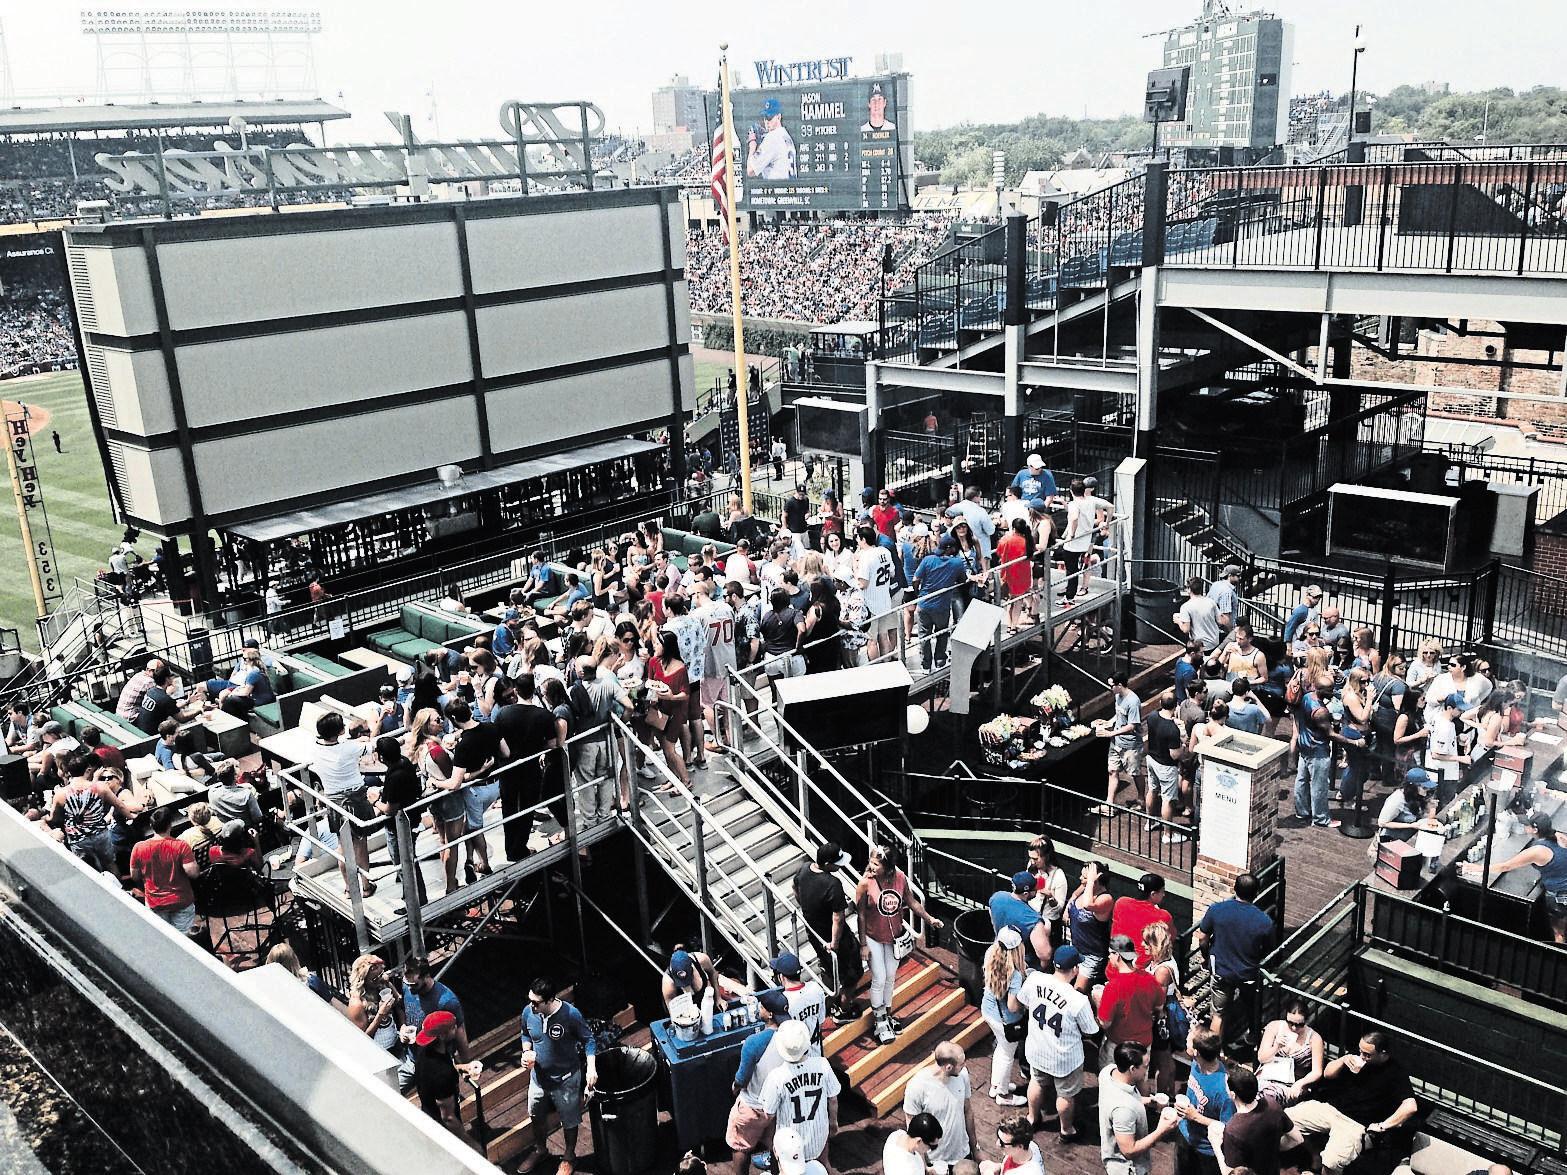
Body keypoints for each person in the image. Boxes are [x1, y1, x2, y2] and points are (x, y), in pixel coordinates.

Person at [1287, 1032, 1419, 1175]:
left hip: (1355, 1123)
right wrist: (1343, 1060)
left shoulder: (1396, 1073)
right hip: (1330, 1108)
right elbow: (1327, 1074)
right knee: (1285, 1120)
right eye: (1360, 1051)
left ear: (1383, 1054)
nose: (1362, 1056)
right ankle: (1314, 1157)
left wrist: (1383, 1126)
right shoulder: (1357, 1056)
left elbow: (1410, 1106)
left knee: (1332, 1162)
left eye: (1368, 1055)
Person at [1011, 943, 1099, 1143]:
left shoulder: (1034, 979)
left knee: (1036, 1082)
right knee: (1066, 1095)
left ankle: (1032, 1118)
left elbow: (1023, 1001)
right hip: (1064, 1058)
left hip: (1038, 1048)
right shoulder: (1078, 1000)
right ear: (1075, 969)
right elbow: (1091, 1030)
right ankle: (1066, 1130)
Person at [856, 844, 942, 1043]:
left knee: (890, 977)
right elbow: (860, 915)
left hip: (894, 937)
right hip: (873, 937)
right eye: (871, 862)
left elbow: (911, 902)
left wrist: (929, 919)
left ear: (887, 867)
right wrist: (863, 944)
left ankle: (886, 1013)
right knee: (879, 977)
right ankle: (879, 1020)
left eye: (876, 864)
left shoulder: (900, 878)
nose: (871, 866)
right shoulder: (865, 883)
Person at [519, 973, 598, 1175]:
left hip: (566, 1080)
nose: (532, 1006)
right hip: (538, 1079)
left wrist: (591, 1068)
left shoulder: (571, 1014)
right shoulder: (528, 1012)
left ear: (550, 1000)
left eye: (536, 1003)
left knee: (570, 1120)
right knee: (536, 1115)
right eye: (530, 1001)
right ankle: (540, 1149)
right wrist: (526, 1051)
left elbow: (589, 1040)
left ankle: (570, 1156)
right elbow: (525, 1034)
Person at [1462, 811, 1567, 943]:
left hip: (1559, 896)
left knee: (1557, 931)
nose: (1525, 827)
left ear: (1535, 829)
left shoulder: (1538, 851)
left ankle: (1556, 956)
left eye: (1527, 826)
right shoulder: (1559, 836)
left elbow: (1505, 866)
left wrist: (1478, 868)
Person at [1195, 873, 1275, 1047]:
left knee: (1218, 1014)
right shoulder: (1264, 921)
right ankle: (1254, 1036)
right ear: (1256, 893)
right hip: (1248, 973)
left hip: (1221, 971)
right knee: (1252, 1006)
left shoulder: (1217, 910)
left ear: (1234, 889)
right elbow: (1268, 948)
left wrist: (1206, 957)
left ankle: (1215, 1052)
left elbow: (1203, 937)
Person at [725, 989, 792, 1175]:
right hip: (779, 1105)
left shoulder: (754, 1042)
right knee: (777, 1148)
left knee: (740, 1146)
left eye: (761, 1007)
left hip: (753, 1105)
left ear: (769, 1014)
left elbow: (741, 1078)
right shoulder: (793, 1036)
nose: (759, 1010)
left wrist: (734, 1088)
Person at [794, 841, 861, 1019]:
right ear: (826, 864)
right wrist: (835, 943)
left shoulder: (804, 869)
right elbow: (838, 918)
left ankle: (830, 1000)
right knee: (853, 972)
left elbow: (795, 889)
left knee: (829, 966)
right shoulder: (833, 884)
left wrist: (805, 908)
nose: (839, 867)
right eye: (836, 864)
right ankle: (844, 1009)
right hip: (833, 938)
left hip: (814, 934)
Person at [760, 1020, 840, 1166]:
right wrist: (833, 1123)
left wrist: (769, 1140)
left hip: (790, 1144)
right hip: (818, 1135)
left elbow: (768, 1115)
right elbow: (833, 1099)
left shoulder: (776, 1077)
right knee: (823, 1164)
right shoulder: (822, 1064)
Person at [1100, 1042, 1182, 1174]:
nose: (1147, 1070)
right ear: (1132, 1069)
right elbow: (1129, 1151)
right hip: (1127, 1168)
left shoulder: (1108, 1072)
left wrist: (1148, 1100)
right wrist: (1161, 1130)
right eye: (1145, 1066)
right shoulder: (1124, 1110)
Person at [397, 954, 471, 1093]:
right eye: (407, 984)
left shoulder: (446, 1001)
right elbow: (401, 1007)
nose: (410, 988)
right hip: (412, 1059)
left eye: (414, 985)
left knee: (443, 1103)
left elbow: (460, 1031)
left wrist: (466, 1064)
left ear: (426, 976)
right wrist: (403, 1027)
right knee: (390, 1092)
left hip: (437, 1063)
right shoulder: (407, 986)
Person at [1214, 1069, 1304, 1175]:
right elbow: (1298, 1139)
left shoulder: (1233, 1130)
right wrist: (1271, 1150)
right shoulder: (1272, 1105)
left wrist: (1215, 1144)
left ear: (1233, 1095)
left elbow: (1230, 1172)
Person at [128, 806, 201, 934]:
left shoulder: (138, 848)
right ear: (169, 825)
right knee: (184, 939)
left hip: (155, 903)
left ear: (151, 825)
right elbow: (193, 873)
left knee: (162, 937)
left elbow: (135, 876)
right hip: (181, 901)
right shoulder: (181, 846)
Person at [902, 1044, 974, 1172]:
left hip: (962, 1155)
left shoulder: (963, 1075)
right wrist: (925, 1167)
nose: (964, 1066)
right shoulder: (917, 1086)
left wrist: (976, 1148)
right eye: (961, 1063)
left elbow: (967, 1111)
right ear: (948, 1067)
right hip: (935, 1162)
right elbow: (912, 1131)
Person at [1098, 935, 1166, 1068]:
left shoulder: (1113, 986)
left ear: (1117, 955)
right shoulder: (1149, 979)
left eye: (1109, 954)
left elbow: (1105, 1023)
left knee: (1110, 1082)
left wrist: (1098, 1002)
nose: (1108, 957)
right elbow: (1159, 1007)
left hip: (1119, 1045)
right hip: (1144, 1043)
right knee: (1140, 1082)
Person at [1174, 1028, 1235, 1175]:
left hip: (1206, 1150)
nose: (1186, 1040)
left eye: (1189, 1040)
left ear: (1196, 1052)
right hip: (1185, 1134)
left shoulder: (1224, 1091)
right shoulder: (1196, 1064)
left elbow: (1227, 1127)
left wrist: (1195, 1117)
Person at [980, 927, 1028, 1107]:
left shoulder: (990, 953)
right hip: (1006, 1020)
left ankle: (996, 1085)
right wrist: (1025, 1002)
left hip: (988, 1010)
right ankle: (1002, 1094)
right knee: (1007, 1054)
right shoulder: (1014, 974)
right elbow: (1013, 1006)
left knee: (1001, 1049)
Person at [1256, 998, 1325, 1106]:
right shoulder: (1274, 1027)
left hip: (1292, 1083)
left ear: (1306, 1021)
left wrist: (1301, 1083)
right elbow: (1261, 1058)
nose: (1294, 1028)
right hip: (1268, 1075)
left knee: (1268, 1098)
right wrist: (1276, 1047)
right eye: (1290, 1023)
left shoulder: (1314, 1039)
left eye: (1299, 1024)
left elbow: (1317, 1072)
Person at [1064, 859, 1113, 989]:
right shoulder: (1085, 887)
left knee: (1077, 992)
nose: (1080, 878)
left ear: (1096, 880)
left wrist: (1090, 881)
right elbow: (1074, 894)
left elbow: (1087, 905)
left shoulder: (1105, 898)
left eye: (1085, 877)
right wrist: (1067, 909)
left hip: (1091, 955)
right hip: (1075, 947)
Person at [1098, 673, 1144, 810]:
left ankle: (1141, 798)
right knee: (1112, 771)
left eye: (1111, 685)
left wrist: (1111, 733)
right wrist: (1108, 722)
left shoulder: (1133, 701)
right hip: (1116, 742)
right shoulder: (1117, 696)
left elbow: (1132, 725)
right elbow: (1119, 714)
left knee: (1135, 772)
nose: (1110, 688)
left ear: (1119, 685)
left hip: (1130, 745)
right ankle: (1109, 803)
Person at [989, 870, 1052, 968]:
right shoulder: (1033, 920)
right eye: (1035, 889)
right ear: (1026, 893)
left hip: (998, 952)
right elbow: (1045, 955)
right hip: (1020, 964)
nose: (1037, 890)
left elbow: (993, 921)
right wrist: (1046, 932)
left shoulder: (996, 897)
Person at [346, 953, 402, 1053]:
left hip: (395, 1042)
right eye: (375, 978)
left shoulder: (382, 984)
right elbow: (363, 1039)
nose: (380, 979)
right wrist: (380, 1014)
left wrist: (389, 985)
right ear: (363, 979)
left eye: (381, 974)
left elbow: (399, 1002)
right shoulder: (357, 1003)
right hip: (379, 1052)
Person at [662, 946, 743, 1015]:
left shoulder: (702, 959)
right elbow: (671, 1005)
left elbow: (713, 974)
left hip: (706, 1001)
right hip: (686, 1009)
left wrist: (718, 998)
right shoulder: (668, 982)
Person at [1376, 769, 1438, 845]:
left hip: (1410, 838)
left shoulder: (1418, 796)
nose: (1427, 789)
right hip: (1391, 841)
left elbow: (1429, 820)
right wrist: (1411, 825)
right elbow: (1382, 823)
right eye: (1424, 787)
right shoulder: (1397, 799)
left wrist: (1432, 807)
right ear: (1412, 787)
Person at [746, 98, 796, 180]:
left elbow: (750, 170)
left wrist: (752, 146)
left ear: (779, 117)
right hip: (790, 188)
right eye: (765, 117)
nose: (766, 121)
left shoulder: (772, 137)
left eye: (770, 117)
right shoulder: (785, 135)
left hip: (776, 189)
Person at [1175, 577, 1224, 653]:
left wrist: (1178, 621)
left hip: (1199, 646)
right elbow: (1220, 621)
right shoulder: (1211, 602)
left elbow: (1186, 629)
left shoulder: (1186, 606)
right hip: (1214, 643)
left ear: (1189, 589)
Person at [1207, 565, 1243, 633]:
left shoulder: (1216, 584)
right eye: (1238, 576)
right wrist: (1230, 633)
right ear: (1230, 576)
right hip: (1222, 630)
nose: (1240, 578)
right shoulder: (1227, 591)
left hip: (1211, 625)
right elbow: (1225, 618)